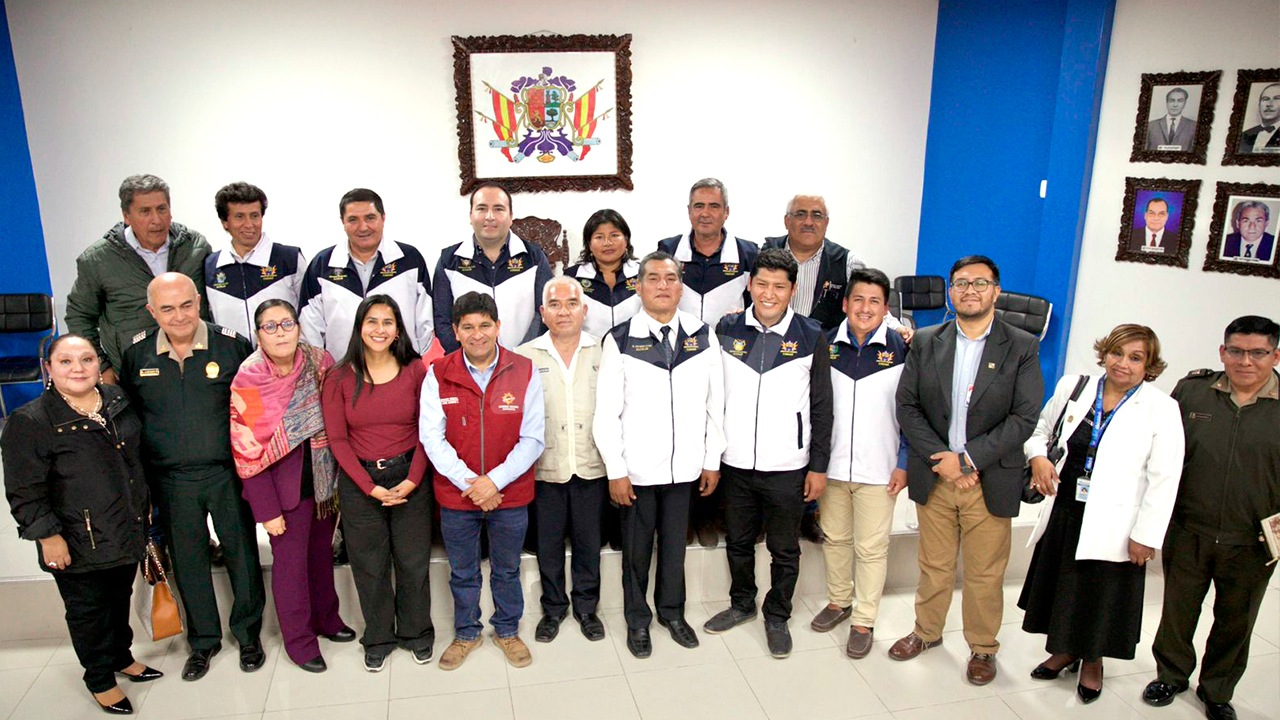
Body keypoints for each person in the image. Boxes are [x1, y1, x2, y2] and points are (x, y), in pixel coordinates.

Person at [889, 255, 1042, 686]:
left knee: (984, 573)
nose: (969, 290)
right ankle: (926, 632)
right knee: (933, 565)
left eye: (979, 283)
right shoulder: (925, 341)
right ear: (950, 291)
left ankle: (982, 647)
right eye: (960, 283)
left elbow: (1024, 417)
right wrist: (944, 460)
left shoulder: (1021, 346)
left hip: (988, 478)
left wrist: (968, 460)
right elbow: (907, 406)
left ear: (996, 291)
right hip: (936, 474)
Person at [1020, 324, 1184, 704]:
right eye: (1116, 353)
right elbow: (1040, 432)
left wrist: (1146, 535)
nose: (1123, 363)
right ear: (1104, 354)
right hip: (1066, 511)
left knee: (1099, 595)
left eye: (1135, 358)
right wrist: (1038, 457)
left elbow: (1165, 478)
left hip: (1117, 523)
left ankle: (1092, 662)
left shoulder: (1161, 409)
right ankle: (1064, 651)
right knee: (1063, 587)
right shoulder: (1074, 388)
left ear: (1149, 365)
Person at [117, 273, 266, 682]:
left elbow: (254, 412)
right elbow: (133, 421)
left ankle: (248, 635)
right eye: (167, 309)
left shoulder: (232, 345)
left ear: (198, 301)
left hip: (226, 473)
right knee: (188, 562)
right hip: (171, 479)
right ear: (152, 312)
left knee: (242, 555)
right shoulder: (137, 355)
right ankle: (203, 641)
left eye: (186, 305)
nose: (179, 315)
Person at [2, 334, 160, 715]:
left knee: (119, 597)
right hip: (75, 537)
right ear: (49, 369)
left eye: (87, 360)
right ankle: (100, 679)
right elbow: (24, 490)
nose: (78, 368)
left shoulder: (116, 400)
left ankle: (121, 656)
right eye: (66, 361)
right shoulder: (30, 421)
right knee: (88, 611)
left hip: (124, 525)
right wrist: (47, 537)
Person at [1143, 316, 1280, 720]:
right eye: (1236, 351)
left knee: (1236, 621)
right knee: (1177, 612)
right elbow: (1160, 453)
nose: (1245, 361)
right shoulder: (1192, 392)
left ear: (1275, 356)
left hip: (1253, 540)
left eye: (1258, 353)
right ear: (1222, 352)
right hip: (1189, 528)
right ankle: (1171, 675)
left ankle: (1217, 690)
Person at [594, 251, 726, 659]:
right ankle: (638, 620)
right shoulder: (619, 339)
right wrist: (616, 470)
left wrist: (712, 460)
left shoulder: (703, 336)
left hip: (685, 468)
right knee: (636, 553)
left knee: (674, 549)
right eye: (653, 278)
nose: (662, 286)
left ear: (681, 287)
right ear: (639, 287)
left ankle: (672, 613)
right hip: (636, 471)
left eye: (670, 278)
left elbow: (715, 403)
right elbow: (606, 413)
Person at [703, 248, 832, 658]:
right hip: (736, 462)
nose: (769, 294)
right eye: (762, 284)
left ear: (792, 289)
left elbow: (822, 406)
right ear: (749, 284)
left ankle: (777, 615)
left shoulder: (810, 335)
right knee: (738, 542)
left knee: (784, 548)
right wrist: (712, 456)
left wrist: (818, 466)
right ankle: (742, 604)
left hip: (788, 466)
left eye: (779, 286)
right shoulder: (727, 329)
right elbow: (712, 397)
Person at [763, 194, 910, 544]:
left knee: (814, 427)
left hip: (821, 359)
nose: (808, 221)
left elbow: (867, 298)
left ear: (826, 223)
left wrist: (898, 328)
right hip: (773, 358)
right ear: (786, 220)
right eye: (800, 214)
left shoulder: (847, 260)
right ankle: (771, 513)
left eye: (817, 215)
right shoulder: (765, 251)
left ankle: (809, 514)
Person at [420, 292, 545, 670]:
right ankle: (466, 633)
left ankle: (507, 630)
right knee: (463, 572)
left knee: (507, 569)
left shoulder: (524, 369)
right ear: (455, 331)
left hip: (510, 495)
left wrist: (494, 482)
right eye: (468, 327)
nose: (478, 334)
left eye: (485, 325)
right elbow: (432, 438)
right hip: (458, 497)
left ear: (498, 327)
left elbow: (533, 438)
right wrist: (472, 484)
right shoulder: (438, 373)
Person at [230, 300, 354, 673]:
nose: (280, 332)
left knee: (320, 557)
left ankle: (327, 619)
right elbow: (246, 448)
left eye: (287, 323)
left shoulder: (319, 361)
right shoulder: (250, 377)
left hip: (322, 481)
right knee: (290, 569)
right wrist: (267, 511)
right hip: (281, 490)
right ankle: (299, 643)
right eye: (270, 326)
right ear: (258, 334)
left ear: (298, 327)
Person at [321, 295, 435, 672]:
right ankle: (379, 637)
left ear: (398, 330)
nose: (380, 329)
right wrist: (369, 486)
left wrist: (413, 480)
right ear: (359, 327)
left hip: (410, 476)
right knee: (369, 566)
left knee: (413, 562)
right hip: (361, 483)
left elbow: (428, 431)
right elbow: (338, 439)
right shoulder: (339, 377)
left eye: (388, 322)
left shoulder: (416, 370)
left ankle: (416, 633)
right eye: (372, 321)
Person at [811, 268, 910, 660]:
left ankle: (864, 620)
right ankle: (839, 601)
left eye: (874, 301)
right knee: (835, 538)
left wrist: (904, 461)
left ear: (886, 308)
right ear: (845, 303)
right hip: (831, 466)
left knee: (871, 548)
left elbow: (913, 411)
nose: (865, 308)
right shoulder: (824, 344)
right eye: (858, 300)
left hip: (880, 468)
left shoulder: (903, 348)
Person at [656, 178, 755, 547]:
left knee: (718, 432)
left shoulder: (747, 253)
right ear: (688, 211)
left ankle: (711, 516)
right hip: (677, 360)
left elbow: (760, 301)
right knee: (683, 431)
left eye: (714, 206)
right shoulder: (669, 249)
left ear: (726, 212)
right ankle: (684, 518)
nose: (706, 213)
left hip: (729, 360)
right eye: (699, 206)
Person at [516, 277, 608, 644]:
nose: (563, 311)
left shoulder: (604, 351)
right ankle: (553, 609)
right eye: (554, 304)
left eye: (571, 303)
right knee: (548, 546)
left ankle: (587, 608)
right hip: (545, 469)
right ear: (543, 312)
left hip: (591, 465)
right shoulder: (524, 356)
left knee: (588, 544)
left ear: (584, 310)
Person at [66, 174, 211, 383]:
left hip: (197, 366)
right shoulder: (98, 260)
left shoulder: (195, 248)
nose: (156, 220)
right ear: (126, 216)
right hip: (135, 373)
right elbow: (79, 316)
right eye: (145, 211)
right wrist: (102, 366)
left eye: (162, 209)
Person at [299, 188, 434, 360]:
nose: (363, 227)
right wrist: (321, 369)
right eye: (353, 220)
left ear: (383, 218)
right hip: (342, 369)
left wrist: (417, 366)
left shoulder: (410, 260)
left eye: (370, 218)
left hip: (402, 367)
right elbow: (310, 328)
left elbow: (426, 323)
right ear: (342, 222)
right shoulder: (322, 265)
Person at [432, 183, 553, 353]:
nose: (490, 216)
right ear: (471, 215)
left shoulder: (534, 258)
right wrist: (467, 357)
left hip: (527, 359)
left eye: (498, 209)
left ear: (511, 216)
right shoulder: (450, 261)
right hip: (466, 362)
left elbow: (545, 312)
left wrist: (523, 354)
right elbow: (442, 319)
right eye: (481, 209)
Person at [205, 182, 307, 345]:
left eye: (254, 216)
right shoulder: (210, 266)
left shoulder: (290, 259)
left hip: (285, 357)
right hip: (232, 359)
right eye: (239, 216)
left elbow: (308, 316)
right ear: (224, 222)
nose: (249, 224)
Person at [566, 208, 641, 339]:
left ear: (626, 240)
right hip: (588, 349)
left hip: (636, 348)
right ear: (589, 244)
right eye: (599, 237)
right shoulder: (573, 277)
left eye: (614, 235)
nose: (607, 243)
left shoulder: (643, 274)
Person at [1145, 87, 1197, 151]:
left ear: (1185, 103)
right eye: (1172, 100)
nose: (1175, 105)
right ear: (1166, 102)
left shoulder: (1194, 126)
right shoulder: (1151, 126)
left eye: (1180, 101)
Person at [1237, 82, 1280, 154]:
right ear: (1259, 106)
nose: (1269, 104)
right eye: (1265, 99)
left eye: (1277, 98)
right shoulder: (1244, 135)